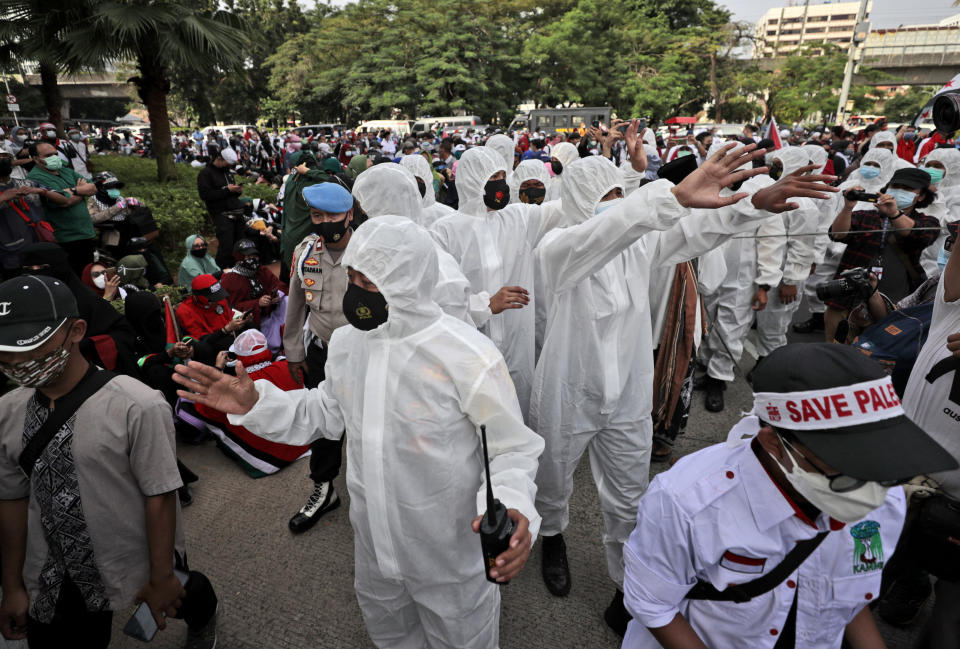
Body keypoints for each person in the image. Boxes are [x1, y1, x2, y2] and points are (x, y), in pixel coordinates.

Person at [172, 216, 543, 649]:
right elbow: (326, 410)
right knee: (391, 634)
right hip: (375, 549)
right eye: (352, 276)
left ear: (406, 283)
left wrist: (513, 504)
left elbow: (511, 448)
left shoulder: (466, 356)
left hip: (449, 553)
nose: (355, 291)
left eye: (368, 281)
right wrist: (256, 405)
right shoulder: (349, 344)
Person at [531, 138, 837, 634]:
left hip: (629, 393)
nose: (615, 207)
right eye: (604, 199)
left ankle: (627, 584)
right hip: (568, 389)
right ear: (578, 205)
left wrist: (754, 207)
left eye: (618, 194)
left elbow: (695, 232)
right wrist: (665, 198)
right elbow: (600, 235)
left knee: (630, 495)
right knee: (554, 476)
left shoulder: (639, 242)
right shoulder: (557, 250)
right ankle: (553, 534)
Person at [620, 342, 957, 649]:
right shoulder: (686, 502)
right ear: (773, 442)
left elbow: (847, 601)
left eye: (879, 460)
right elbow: (653, 604)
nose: (869, 487)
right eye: (846, 466)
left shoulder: (885, 498)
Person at [0, 275, 220, 649]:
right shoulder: (6, 412)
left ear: (76, 330)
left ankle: (203, 611)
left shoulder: (138, 406)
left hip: (130, 550)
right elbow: (12, 500)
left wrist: (163, 574)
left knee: (176, 596)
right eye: (5, 350)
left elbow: (160, 493)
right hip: (53, 569)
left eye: (31, 345)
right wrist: (14, 585)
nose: (17, 361)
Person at [886, 227, 960, 646]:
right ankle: (908, 582)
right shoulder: (953, 306)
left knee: (950, 619)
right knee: (871, 569)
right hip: (908, 474)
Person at [281, 182, 355, 534]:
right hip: (322, 352)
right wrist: (293, 351)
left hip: (365, 356)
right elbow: (294, 305)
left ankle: (377, 493)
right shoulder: (306, 251)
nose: (325, 222)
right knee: (323, 425)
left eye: (333, 215)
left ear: (350, 214)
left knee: (369, 426)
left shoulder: (371, 249)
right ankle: (324, 489)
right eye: (316, 215)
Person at [826, 168, 940, 342]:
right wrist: (848, 208)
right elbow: (837, 234)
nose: (899, 191)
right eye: (895, 186)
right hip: (847, 301)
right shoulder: (866, 216)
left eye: (907, 189)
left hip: (894, 305)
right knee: (834, 354)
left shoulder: (928, 222)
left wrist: (894, 213)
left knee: (880, 358)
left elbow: (918, 234)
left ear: (921, 196)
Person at [19, 243, 141, 378]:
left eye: (43, 268)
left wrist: (87, 345)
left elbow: (122, 332)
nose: (37, 273)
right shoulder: (23, 302)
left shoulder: (85, 299)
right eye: (29, 269)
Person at [25, 141, 98, 275]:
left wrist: (71, 191)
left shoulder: (66, 170)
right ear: (36, 159)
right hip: (65, 238)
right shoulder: (35, 178)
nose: (54, 157)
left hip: (85, 232)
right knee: (74, 275)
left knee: (88, 273)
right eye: (48, 155)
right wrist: (81, 191)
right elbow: (64, 201)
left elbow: (92, 188)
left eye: (55, 154)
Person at [197, 145, 245, 269]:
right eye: (226, 164)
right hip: (221, 214)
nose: (228, 167)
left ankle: (237, 270)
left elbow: (231, 192)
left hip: (236, 212)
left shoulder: (227, 172)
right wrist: (227, 190)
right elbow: (206, 195)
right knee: (226, 246)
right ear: (219, 159)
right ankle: (221, 272)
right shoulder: (205, 174)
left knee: (239, 244)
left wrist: (237, 190)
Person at [219, 238, 284, 331]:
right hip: (250, 319)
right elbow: (232, 306)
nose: (252, 260)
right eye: (248, 257)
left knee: (286, 299)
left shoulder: (261, 270)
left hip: (270, 310)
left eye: (254, 256)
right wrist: (258, 303)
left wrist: (275, 296)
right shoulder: (230, 278)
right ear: (239, 257)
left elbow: (277, 284)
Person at [176, 273, 251, 341]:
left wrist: (241, 320)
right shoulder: (185, 311)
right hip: (212, 342)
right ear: (200, 297)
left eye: (218, 295)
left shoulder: (219, 299)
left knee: (250, 326)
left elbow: (229, 316)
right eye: (213, 298)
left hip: (228, 331)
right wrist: (225, 330)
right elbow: (201, 340)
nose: (217, 300)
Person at [399, 153, 455, 227]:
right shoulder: (448, 214)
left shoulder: (447, 215)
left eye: (419, 179)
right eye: (411, 178)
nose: (415, 184)